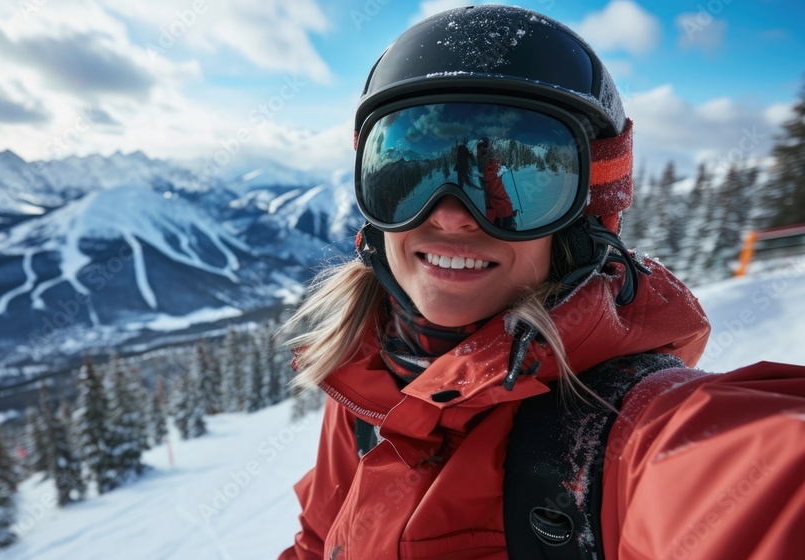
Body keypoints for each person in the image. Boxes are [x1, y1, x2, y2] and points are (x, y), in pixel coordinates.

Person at [279, 6, 804, 560]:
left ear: (585, 219)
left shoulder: (621, 437)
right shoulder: (371, 377)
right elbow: (319, 543)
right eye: (412, 173)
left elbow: (763, 471)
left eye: (527, 177)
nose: (453, 216)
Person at [475, 137, 516, 229]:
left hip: (501, 212)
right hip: (500, 210)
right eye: (479, 149)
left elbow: (491, 175)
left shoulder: (489, 164)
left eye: (483, 148)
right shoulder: (489, 162)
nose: (481, 152)